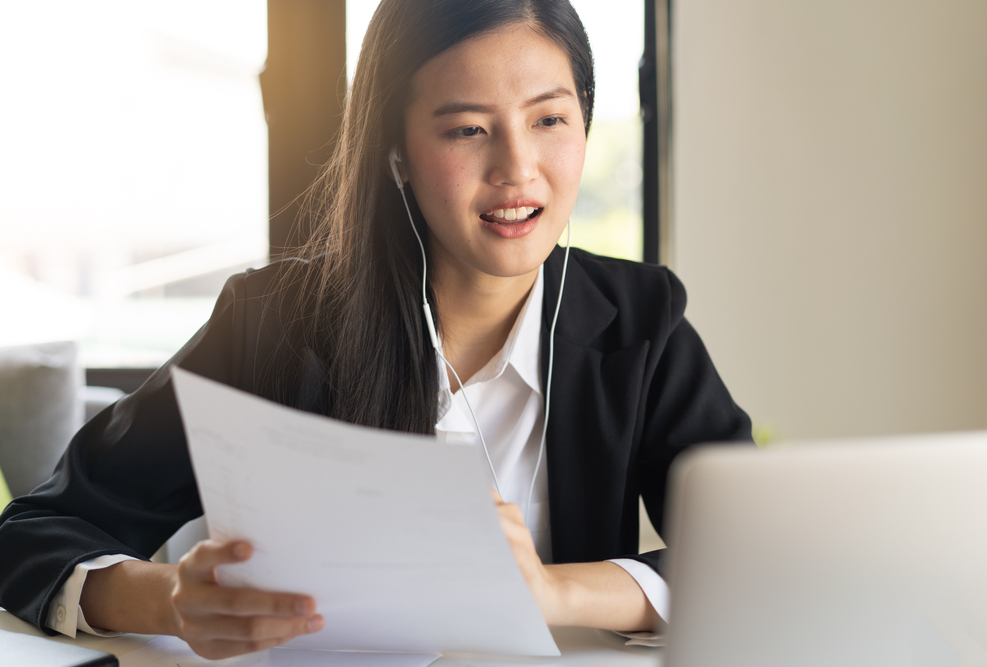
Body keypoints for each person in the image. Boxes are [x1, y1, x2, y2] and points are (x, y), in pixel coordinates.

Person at [0, 0, 751, 659]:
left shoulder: (641, 319)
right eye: (466, 129)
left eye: (549, 118)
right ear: (395, 151)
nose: (518, 168)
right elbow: (33, 532)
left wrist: (551, 592)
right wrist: (171, 600)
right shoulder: (274, 321)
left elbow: (749, 550)